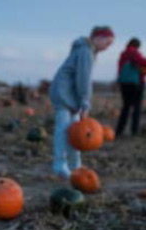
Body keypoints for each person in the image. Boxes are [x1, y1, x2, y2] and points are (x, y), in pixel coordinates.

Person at [49, 26, 115, 178]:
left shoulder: (87, 50)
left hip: (69, 95)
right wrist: (85, 102)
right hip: (63, 93)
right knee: (64, 130)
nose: (108, 46)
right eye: (107, 41)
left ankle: (75, 166)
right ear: (97, 37)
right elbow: (83, 79)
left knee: (74, 131)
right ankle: (60, 166)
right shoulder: (85, 51)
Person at [115, 38, 146, 137]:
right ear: (137, 46)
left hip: (124, 84)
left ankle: (119, 130)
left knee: (126, 107)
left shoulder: (123, 54)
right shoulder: (134, 53)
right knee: (136, 108)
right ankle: (134, 131)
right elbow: (144, 63)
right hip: (136, 85)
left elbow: (120, 69)